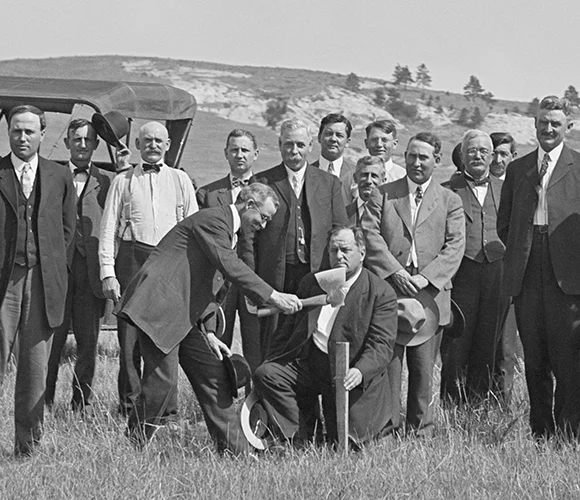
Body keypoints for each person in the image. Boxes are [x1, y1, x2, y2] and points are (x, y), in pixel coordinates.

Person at [114, 183, 302, 455]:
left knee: (214, 378)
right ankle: (132, 447)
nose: (263, 225)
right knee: (161, 387)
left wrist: (210, 332)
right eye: (263, 217)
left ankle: (238, 454)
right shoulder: (214, 220)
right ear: (248, 205)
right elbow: (230, 268)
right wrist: (273, 296)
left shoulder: (228, 232)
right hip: (160, 308)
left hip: (187, 316)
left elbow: (207, 284)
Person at [253, 225, 398, 447]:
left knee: (345, 443)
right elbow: (287, 330)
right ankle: (301, 437)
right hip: (312, 363)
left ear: (362, 252)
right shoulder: (313, 283)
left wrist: (360, 371)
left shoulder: (380, 292)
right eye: (333, 250)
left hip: (349, 371)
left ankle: (359, 431)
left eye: (345, 250)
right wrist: (273, 359)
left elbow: (382, 346)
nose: (339, 256)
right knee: (268, 374)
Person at [363, 132, 465, 435]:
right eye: (411, 155)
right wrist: (395, 272)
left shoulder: (450, 200)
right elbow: (369, 235)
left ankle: (421, 430)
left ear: (437, 160)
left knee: (422, 370)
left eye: (423, 157)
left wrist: (425, 277)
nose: (416, 162)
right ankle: (387, 428)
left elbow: (454, 246)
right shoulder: (382, 194)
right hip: (390, 294)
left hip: (430, 297)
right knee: (388, 366)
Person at [99, 121, 198, 417]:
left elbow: (194, 229)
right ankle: (130, 407)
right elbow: (107, 230)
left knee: (164, 340)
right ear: (139, 146)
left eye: (159, 140)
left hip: (168, 265)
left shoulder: (181, 180)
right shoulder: (123, 181)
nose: (153, 145)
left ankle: (164, 408)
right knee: (128, 343)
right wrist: (108, 273)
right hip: (131, 261)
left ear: (168, 145)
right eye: (147, 141)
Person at [498, 95, 580, 439]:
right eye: (543, 122)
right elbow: (505, 224)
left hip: (568, 276)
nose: (548, 129)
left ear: (568, 127)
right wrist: (523, 250)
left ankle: (568, 432)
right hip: (528, 272)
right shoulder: (518, 169)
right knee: (535, 358)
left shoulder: (578, 166)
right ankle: (541, 432)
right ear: (534, 124)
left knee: (569, 359)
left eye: (556, 124)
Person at [0, 105, 76, 455]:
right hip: (4, 282)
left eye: (30, 131)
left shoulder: (59, 176)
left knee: (34, 367)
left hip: (42, 281)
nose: (22, 137)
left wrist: (53, 272)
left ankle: (26, 448)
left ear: (43, 134)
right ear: (8, 132)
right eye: (16, 130)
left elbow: (67, 231)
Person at [251, 118, 348, 358]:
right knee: (273, 344)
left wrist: (340, 275)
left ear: (310, 146)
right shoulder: (262, 182)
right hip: (275, 277)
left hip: (316, 277)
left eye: (300, 145)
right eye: (288, 144)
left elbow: (340, 232)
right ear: (280, 144)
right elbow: (249, 238)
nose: (294, 151)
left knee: (312, 343)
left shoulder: (329, 184)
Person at [440, 130, 513, 405]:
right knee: (456, 342)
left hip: (497, 272)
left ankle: (479, 407)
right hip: (461, 274)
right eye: (472, 151)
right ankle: (450, 406)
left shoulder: (507, 188)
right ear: (462, 155)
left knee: (488, 341)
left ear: (492, 156)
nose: (478, 155)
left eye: (484, 151)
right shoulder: (448, 189)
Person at [45, 119, 114, 411]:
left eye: (88, 139)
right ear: (67, 143)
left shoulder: (109, 180)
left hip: (91, 274)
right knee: (52, 341)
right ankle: (43, 400)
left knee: (88, 343)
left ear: (96, 144)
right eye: (77, 139)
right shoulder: (51, 175)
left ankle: (81, 402)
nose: (82, 144)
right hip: (59, 271)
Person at [196, 129, 262, 372]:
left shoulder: (267, 191)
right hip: (219, 282)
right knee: (217, 342)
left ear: (256, 154)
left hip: (254, 279)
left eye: (245, 150)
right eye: (234, 149)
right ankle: (218, 400)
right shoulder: (209, 193)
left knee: (256, 346)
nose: (239, 155)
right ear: (225, 153)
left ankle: (256, 405)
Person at [311, 113, 356, 205]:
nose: (333, 139)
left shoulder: (355, 175)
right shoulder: (306, 173)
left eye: (339, 135)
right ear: (319, 137)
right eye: (328, 134)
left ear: (347, 142)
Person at [346, 156, 385, 224]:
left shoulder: (388, 215)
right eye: (364, 175)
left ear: (383, 180)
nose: (368, 181)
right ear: (355, 178)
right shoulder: (343, 213)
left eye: (374, 176)